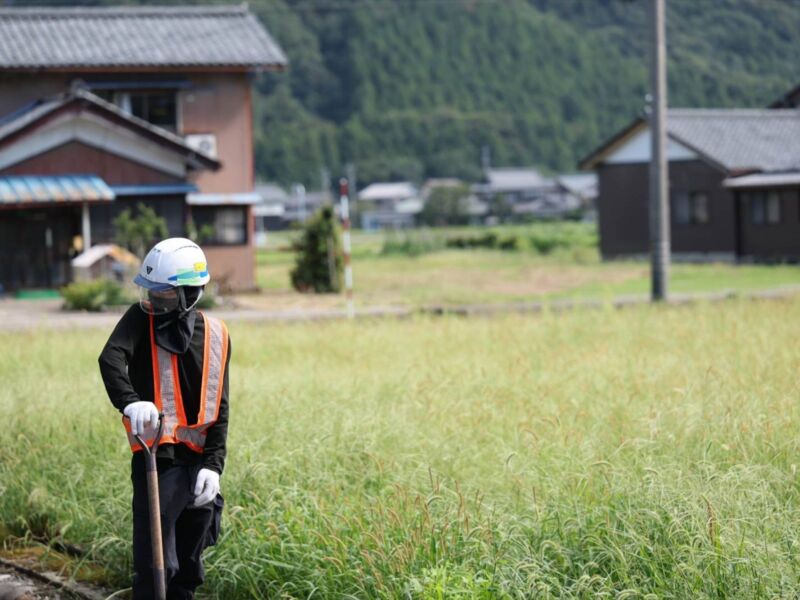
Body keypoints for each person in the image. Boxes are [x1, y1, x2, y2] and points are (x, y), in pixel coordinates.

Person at [98, 238, 230, 600]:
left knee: (187, 569)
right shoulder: (141, 319)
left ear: (190, 292)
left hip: (199, 468)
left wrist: (214, 466)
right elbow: (110, 359)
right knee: (156, 567)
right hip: (157, 459)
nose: (155, 301)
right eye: (152, 292)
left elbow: (221, 407)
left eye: (165, 295)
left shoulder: (217, 334)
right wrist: (130, 402)